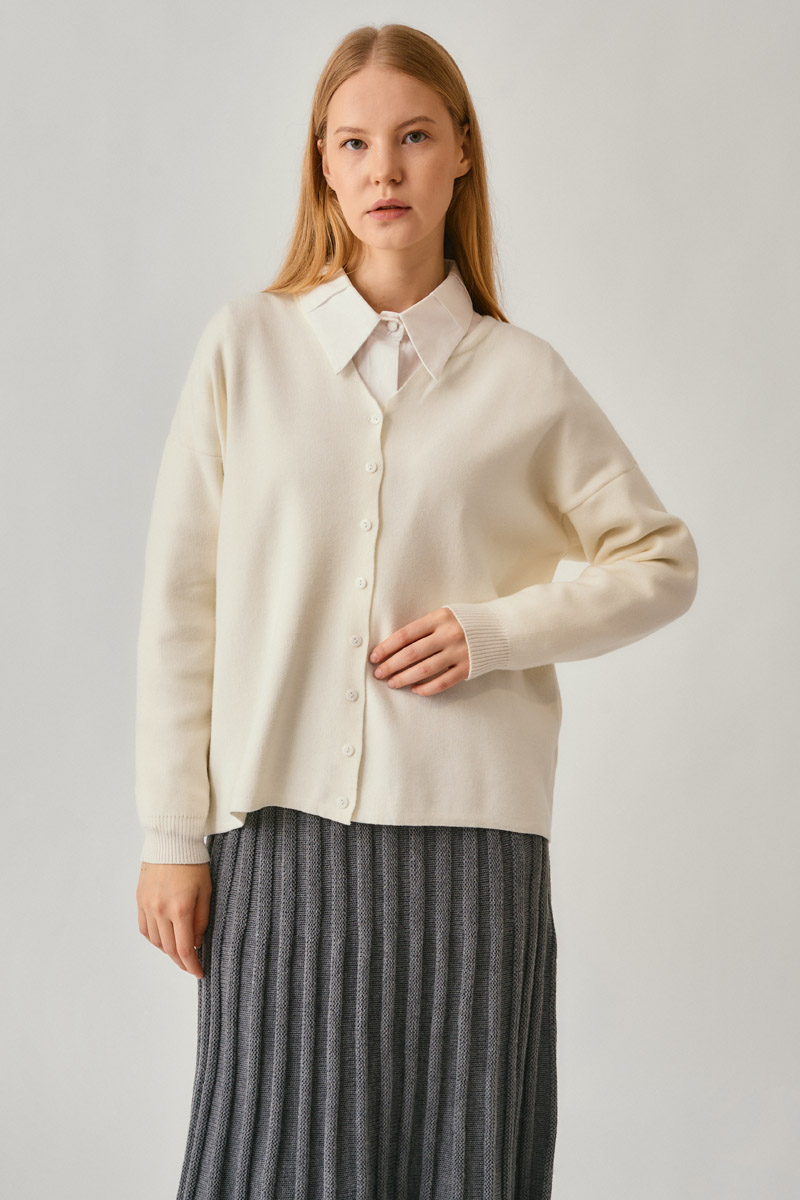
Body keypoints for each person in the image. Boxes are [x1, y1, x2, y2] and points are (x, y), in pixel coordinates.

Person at [134, 22, 699, 1200]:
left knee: (462, 1165)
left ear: (460, 153)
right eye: (352, 143)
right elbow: (182, 604)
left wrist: (494, 633)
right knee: (267, 1162)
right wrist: (171, 838)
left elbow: (660, 561)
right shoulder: (246, 348)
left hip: (473, 857)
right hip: (276, 842)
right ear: (321, 163)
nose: (382, 168)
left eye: (412, 137)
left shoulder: (523, 376)